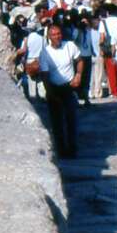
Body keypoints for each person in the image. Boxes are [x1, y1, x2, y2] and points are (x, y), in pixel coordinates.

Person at [38, 24, 83, 158]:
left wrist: (78, 75)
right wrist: (50, 93)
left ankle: (72, 149)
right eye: (54, 35)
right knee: (56, 121)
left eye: (59, 34)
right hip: (53, 88)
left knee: (71, 118)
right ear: (49, 37)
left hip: (68, 87)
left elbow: (80, 60)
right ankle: (61, 150)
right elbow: (45, 74)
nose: (57, 37)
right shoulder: (45, 52)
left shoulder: (69, 46)